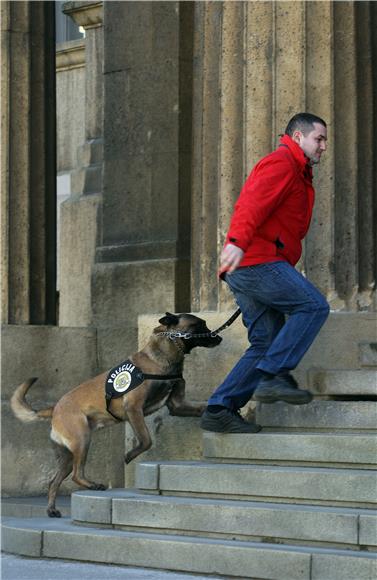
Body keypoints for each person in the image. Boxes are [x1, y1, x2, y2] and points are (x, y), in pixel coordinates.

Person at [200, 112, 330, 434]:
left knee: (264, 341)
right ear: (298, 137)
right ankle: (273, 375)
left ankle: (220, 408)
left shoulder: (298, 171)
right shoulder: (282, 162)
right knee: (313, 305)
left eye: (325, 140)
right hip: (255, 260)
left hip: (250, 264)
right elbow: (251, 204)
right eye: (319, 139)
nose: (324, 146)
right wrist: (236, 242)